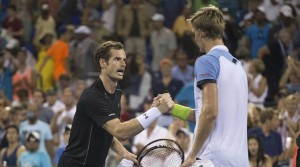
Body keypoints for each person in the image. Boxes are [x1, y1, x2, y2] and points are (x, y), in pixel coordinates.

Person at [58, 41, 174, 167]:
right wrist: (156, 111)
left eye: (124, 60)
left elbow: (108, 133)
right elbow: (119, 131)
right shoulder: (92, 96)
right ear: (103, 63)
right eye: (117, 59)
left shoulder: (117, 93)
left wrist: (124, 153)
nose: (123, 64)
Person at [167, 5, 249, 166]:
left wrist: (192, 154)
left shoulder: (206, 61)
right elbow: (209, 114)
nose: (195, 38)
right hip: (240, 161)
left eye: (194, 33)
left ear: (202, 32)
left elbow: (210, 112)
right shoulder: (238, 66)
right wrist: (173, 109)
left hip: (213, 158)